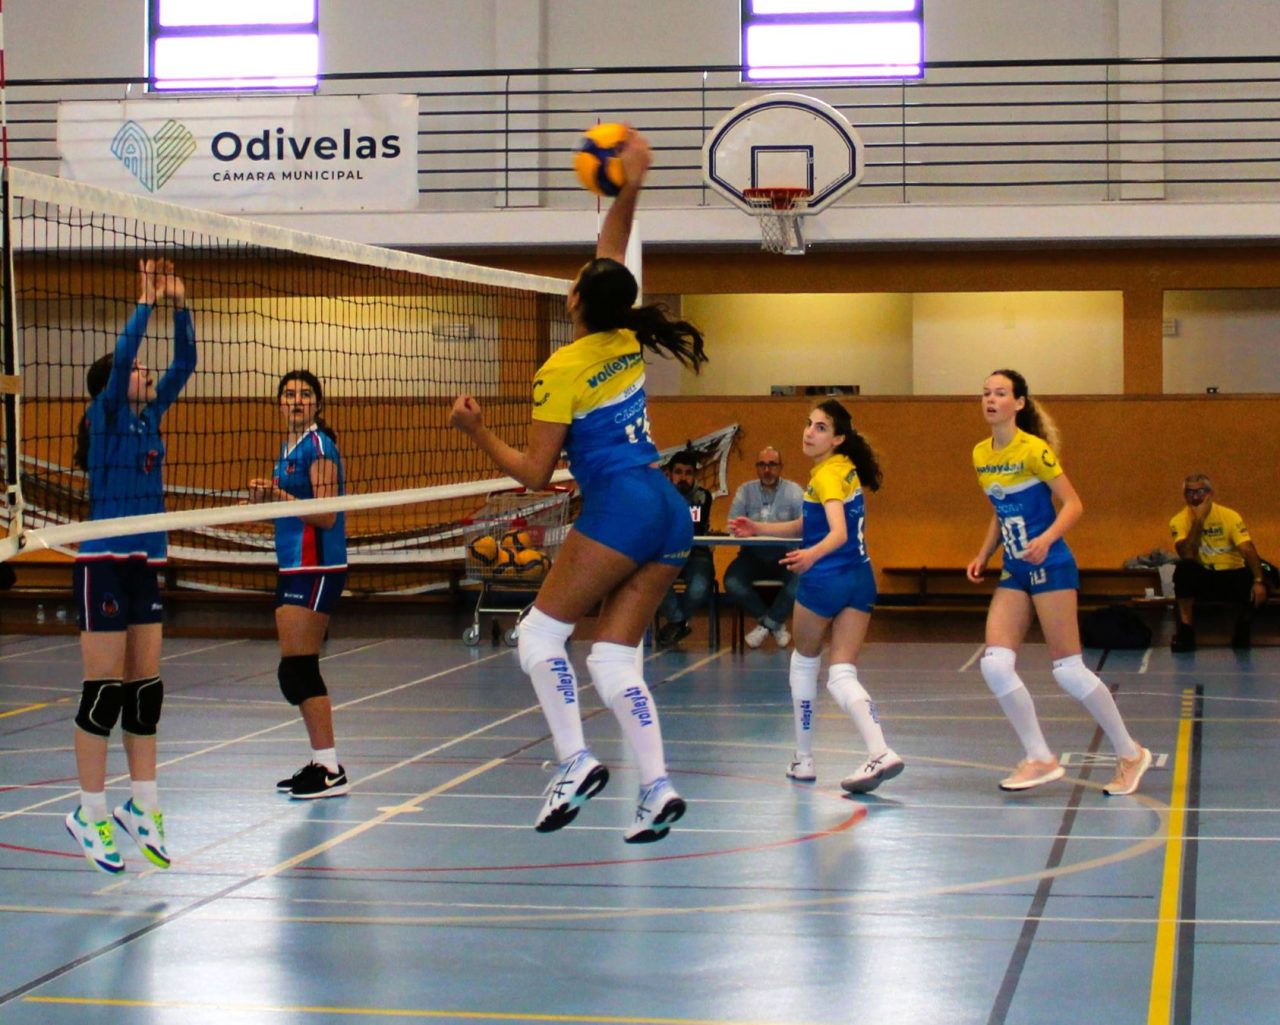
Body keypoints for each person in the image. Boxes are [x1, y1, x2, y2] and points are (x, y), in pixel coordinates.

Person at [449, 127, 706, 844]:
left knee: (538, 635)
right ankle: (655, 787)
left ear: (576, 302)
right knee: (614, 656)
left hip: (623, 505)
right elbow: (611, 251)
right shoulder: (625, 336)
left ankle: (575, 759)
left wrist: (475, 431)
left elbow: (535, 474)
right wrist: (632, 184)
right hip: (667, 505)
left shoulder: (560, 369)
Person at [65, 259, 196, 873]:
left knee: (145, 691)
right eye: (138, 369)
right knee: (103, 695)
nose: (145, 371)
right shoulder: (108, 414)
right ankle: (88, 812)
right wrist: (144, 302)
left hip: (145, 560)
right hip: (104, 563)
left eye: (145, 369)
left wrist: (180, 304)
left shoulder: (150, 417)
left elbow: (185, 364)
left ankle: (143, 804)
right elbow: (122, 362)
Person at [966, 369, 1151, 796]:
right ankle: (1040, 758)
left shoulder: (1035, 450)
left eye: (1000, 393)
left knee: (1069, 670)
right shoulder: (980, 453)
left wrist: (1046, 539)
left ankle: (1130, 753)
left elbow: (1073, 504)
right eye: (986, 393)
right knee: (995, 664)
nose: (990, 399)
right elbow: (999, 509)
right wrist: (984, 553)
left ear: (1019, 403)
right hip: (1014, 568)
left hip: (1051, 564)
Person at [731, 401, 904, 794]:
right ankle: (880, 750)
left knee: (804, 664)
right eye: (809, 424)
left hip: (825, 581)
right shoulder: (844, 469)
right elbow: (809, 524)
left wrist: (810, 556)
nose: (809, 432)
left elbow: (836, 533)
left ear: (838, 438)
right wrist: (759, 527)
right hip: (860, 579)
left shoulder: (826, 476)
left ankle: (804, 759)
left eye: (821, 427)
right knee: (842, 673)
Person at [248, 371, 350, 798]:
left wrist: (277, 497)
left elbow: (325, 514)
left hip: (317, 566)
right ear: (279, 403)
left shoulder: (319, 446)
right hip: (293, 566)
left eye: (305, 394)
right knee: (296, 670)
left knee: (298, 669)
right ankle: (321, 761)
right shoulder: (287, 450)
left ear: (317, 405)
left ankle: (330, 770)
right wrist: (265, 501)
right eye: (289, 394)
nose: (296, 400)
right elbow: (292, 512)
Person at [1168, 474, 1267, 652]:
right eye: (1190, 492)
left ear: (1210, 493)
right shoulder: (1178, 520)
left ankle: (1242, 629)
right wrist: (1199, 520)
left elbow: (1247, 549)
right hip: (1204, 576)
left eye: (1200, 491)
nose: (1195, 497)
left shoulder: (1230, 516)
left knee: (1250, 577)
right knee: (1183, 571)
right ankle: (1186, 631)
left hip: (1231, 574)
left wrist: (1259, 581)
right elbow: (1187, 553)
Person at [723, 446, 804, 649]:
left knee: (803, 580)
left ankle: (766, 625)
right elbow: (732, 525)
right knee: (732, 581)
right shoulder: (745, 491)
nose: (767, 470)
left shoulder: (794, 492)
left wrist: (756, 529)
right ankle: (774, 624)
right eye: (762, 465)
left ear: (780, 467)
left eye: (772, 465)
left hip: (786, 556)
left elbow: (805, 527)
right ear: (757, 467)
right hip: (751, 557)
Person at [655, 448, 716, 647]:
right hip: (667, 553)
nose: (683, 477)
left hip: (697, 554)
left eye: (688, 473)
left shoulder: (703, 497)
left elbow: (692, 527)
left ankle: (676, 624)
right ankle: (678, 622)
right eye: (678, 472)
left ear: (695, 476)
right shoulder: (661, 496)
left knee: (699, 587)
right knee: (653, 578)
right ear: (670, 474)